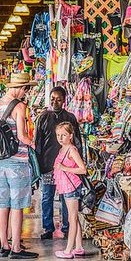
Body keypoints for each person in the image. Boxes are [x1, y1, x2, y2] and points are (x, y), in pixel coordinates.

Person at [0, 73, 39, 260]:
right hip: (17, 161)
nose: (26, 93)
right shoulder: (19, 106)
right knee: (18, 205)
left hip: (0, 160)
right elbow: (21, 136)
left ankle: (4, 245)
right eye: (26, 89)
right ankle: (16, 248)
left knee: (2, 204)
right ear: (19, 87)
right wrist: (33, 143)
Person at [35, 86, 82, 240]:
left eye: (59, 99)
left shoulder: (70, 117)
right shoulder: (43, 117)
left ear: (64, 100)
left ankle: (67, 227)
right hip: (48, 165)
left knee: (65, 197)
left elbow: (78, 142)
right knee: (47, 196)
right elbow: (38, 143)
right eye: (53, 99)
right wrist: (38, 166)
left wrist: (77, 162)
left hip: (67, 166)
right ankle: (48, 228)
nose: (55, 102)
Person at [53, 122, 87, 259]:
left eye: (64, 135)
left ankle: (68, 250)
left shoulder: (71, 150)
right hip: (65, 187)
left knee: (72, 218)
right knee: (74, 217)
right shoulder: (62, 149)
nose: (60, 138)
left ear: (71, 136)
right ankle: (78, 247)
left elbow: (83, 169)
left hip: (71, 187)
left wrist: (65, 168)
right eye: (58, 135)